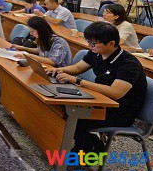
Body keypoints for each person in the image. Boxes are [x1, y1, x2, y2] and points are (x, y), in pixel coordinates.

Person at [46, 22, 147, 153]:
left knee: (72, 116)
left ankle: (90, 146)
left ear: (111, 43)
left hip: (120, 111)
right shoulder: (96, 52)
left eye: (93, 43)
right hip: (100, 100)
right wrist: (58, 70)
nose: (90, 46)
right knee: (59, 108)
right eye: (88, 42)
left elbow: (115, 93)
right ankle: (86, 143)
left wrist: (77, 81)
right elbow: (78, 68)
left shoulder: (128, 64)